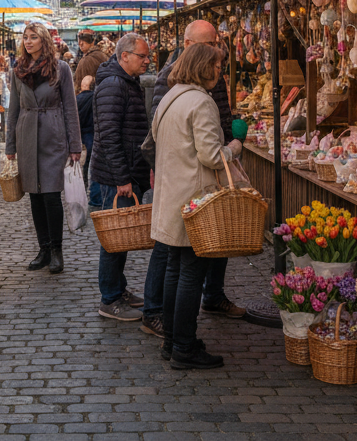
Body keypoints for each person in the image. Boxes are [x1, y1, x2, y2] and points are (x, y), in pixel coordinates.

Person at [141, 20, 245, 339]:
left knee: (178, 266)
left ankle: (174, 339)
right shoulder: (198, 100)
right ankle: (182, 342)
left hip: (176, 190)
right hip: (193, 193)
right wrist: (233, 148)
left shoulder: (176, 95)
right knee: (187, 271)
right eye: (212, 53)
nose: (218, 58)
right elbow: (209, 155)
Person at [6, 22, 82, 275]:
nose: (28, 42)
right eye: (25, 37)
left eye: (34, 37)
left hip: (53, 135)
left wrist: (75, 145)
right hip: (27, 135)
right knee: (35, 196)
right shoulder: (17, 70)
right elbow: (13, 110)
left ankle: (57, 250)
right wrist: (10, 146)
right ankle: (44, 249)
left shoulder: (60, 69)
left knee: (51, 195)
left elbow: (71, 108)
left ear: (44, 41)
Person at [90, 33, 152, 321]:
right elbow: (109, 137)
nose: (147, 60)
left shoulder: (125, 82)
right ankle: (110, 299)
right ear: (124, 55)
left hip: (125, 170)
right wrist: (122, 177)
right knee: (113, 240)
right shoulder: (114, 85)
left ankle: (118, 288)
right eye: (142, 55)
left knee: (121, 238)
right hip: (114, 176)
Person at [74, 30, 109, 94]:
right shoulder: (102, 55)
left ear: (92, 41)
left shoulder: (87, 60)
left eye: (85, 40)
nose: (81, 43)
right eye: (79, 40)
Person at [76, 75, 96, 190]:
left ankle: (82, 183)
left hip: (81, 134)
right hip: (90, 133)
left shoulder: (77, 99)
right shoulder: (93, 98)